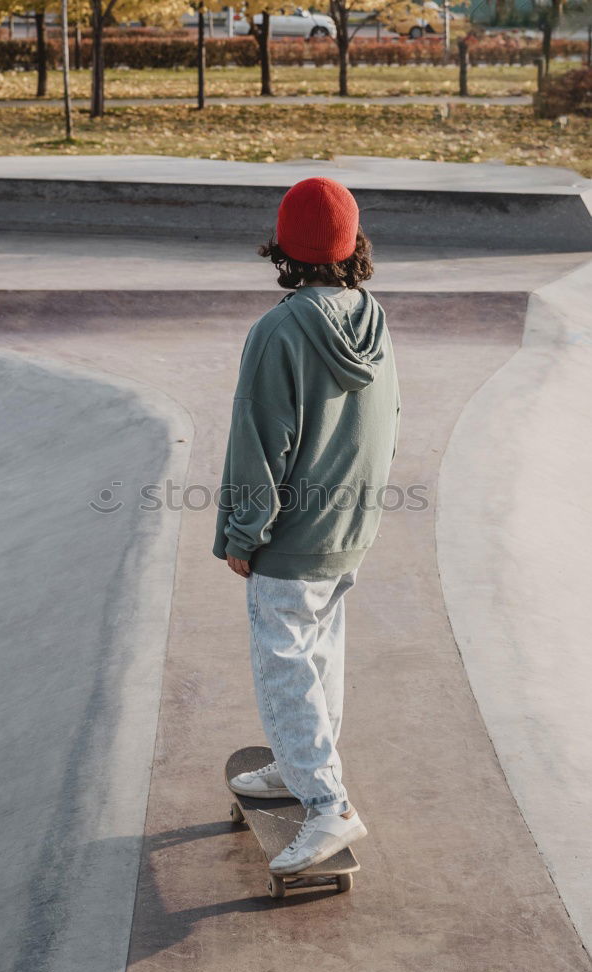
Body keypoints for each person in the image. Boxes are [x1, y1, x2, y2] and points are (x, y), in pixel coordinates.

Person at [213, 176, 400, 875]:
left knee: (285, 661)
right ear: (353, 245)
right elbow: (389, 424)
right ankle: (300, 766)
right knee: (320, 653)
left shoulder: (280, 329)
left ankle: (326, 804)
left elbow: (262, 443)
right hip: (351, 525)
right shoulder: (373, 318)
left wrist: (242, 535)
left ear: (283, 247)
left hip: (290, 536)